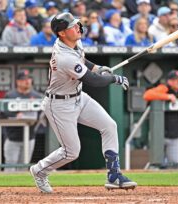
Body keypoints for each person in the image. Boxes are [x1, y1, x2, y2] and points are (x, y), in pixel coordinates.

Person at [29, 12, 137, 193]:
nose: (77, 27)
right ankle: (39, 170)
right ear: (62, 33)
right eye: (72, 26)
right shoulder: (64, 57)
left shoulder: (73, 43)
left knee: (109, 125)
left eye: (76, 24)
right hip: (59, 105)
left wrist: (98, 68)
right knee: (72, 151)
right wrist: (113, 78)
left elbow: (83, 60)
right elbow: (94, 81)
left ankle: (114, 174)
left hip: (78, 97)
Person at [143, 70, 178, 167]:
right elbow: (147, 95)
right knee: (156, 164)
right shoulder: (164, 88)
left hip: (175, 136)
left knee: (174, 165)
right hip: (159, 136)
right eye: (174, 80)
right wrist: (167, 96)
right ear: (169, 81)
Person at [1, 69, 42, 172]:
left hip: (29, 137)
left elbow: (42, 113)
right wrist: (15, 114)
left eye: (29, 79)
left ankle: (20, 189)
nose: (27, 81)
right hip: (12, 137)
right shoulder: (10, 95)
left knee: (24, 167)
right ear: (18, 81)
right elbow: (3, 112)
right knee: (10, 166)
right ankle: (6, 188)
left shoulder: (37, 96)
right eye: (24, 79)